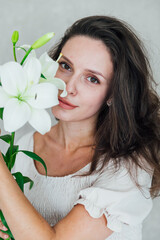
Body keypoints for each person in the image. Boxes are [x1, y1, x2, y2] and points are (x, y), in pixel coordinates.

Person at [0, 15, 160, 240]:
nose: (67, 88)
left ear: (113, 94)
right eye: (65, 66)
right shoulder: (20, 147)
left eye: (92, 79)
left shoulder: (130, 166)